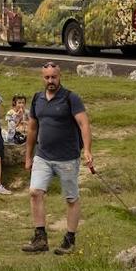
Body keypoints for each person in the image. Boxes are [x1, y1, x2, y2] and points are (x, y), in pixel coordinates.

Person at [22, 62, 93, 255]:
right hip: (42, 156)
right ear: (42, 77)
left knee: (71, 198)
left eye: (54, 77)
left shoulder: (71, 98)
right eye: (47, 77)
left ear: (59, 77)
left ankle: (69, 240)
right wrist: (28, 156)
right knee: (35, 192)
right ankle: (40, 238)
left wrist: (87, 150)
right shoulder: (37, 99)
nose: (50, 81)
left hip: (68, 158)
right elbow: (32, 128)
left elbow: (84, 124)